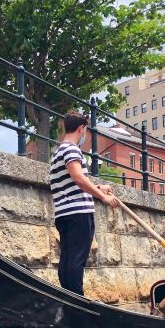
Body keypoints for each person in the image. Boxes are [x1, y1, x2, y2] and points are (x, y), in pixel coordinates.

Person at [50, 111, 119, 295]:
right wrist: (103, 197)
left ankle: (68, 298)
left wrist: (98, 187)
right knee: (76, 260)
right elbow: (78, 178)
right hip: (78, 213)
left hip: (64, 213)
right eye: (86, 131)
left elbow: (71, 182)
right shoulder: (72, 149)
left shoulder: (58, 151)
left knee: (67, 259)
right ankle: (76, 300)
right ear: (81, 128)